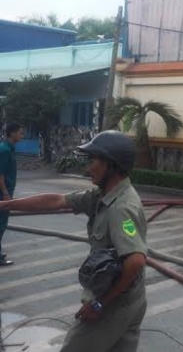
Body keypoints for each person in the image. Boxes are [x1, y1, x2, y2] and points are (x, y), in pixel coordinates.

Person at [0, 130, 148, 351]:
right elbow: (57, 200)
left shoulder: (121, 207)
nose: (88, 168)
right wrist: (5, 205)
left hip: (114, 304)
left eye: (93, 161)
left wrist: (100, 304)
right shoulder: (104, 195)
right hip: (131, 299)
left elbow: (135, 261)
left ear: (111, 165)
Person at [0, 123, 24, 267]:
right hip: (3, 194)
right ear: (12, 133)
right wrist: (5, 194)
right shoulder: (4, 150)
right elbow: (0, 174)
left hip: (6, 192)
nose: (22, 136)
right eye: (20, 133)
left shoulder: (9, 149)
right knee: (1, 224)